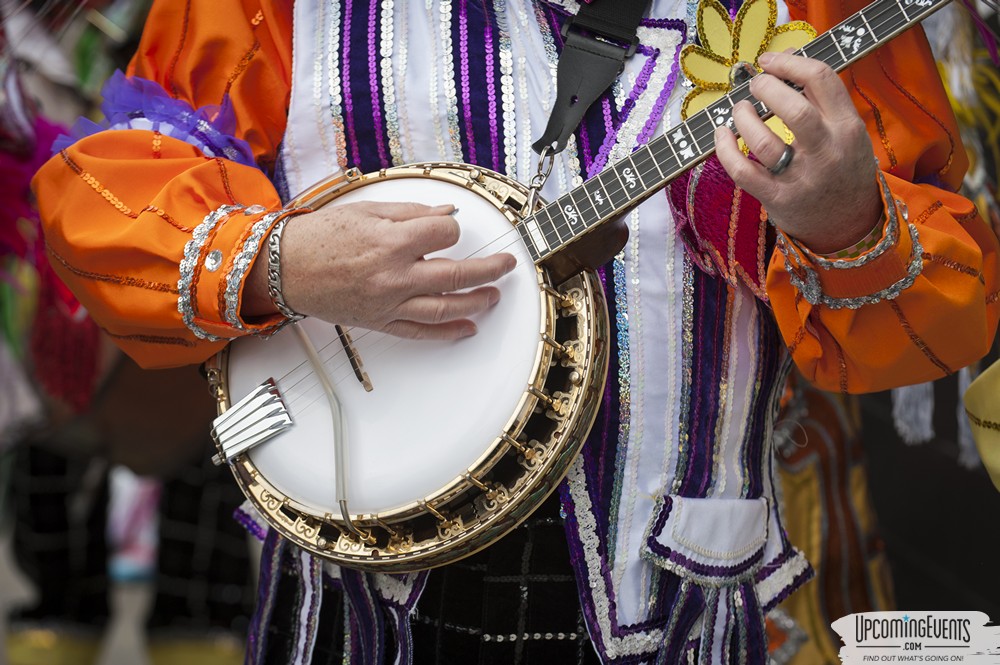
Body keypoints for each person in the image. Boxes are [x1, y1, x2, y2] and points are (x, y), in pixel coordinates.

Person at [31, 0, 1000, 663]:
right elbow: (115, 189)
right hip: (349, 609)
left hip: (677, 606)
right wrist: (280, 258)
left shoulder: (818, 10)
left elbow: (933, 314)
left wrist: (847, 218)